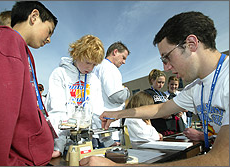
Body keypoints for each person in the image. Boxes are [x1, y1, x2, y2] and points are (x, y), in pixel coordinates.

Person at [80, 11, 229, 166]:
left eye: (167, 57)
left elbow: (221, 160)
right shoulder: (196, 88)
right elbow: (162, 109)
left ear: (191, 44)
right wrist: (117, 113)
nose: (165, 67)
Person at [0, 1, 58, 166]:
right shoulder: (4, 39)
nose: (49, 39)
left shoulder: (19, 47)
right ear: (34, 16)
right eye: (49, 31)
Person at [45, 34, 114, 158]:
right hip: (62, 140)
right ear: (77, 54)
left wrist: (109, 142)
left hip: (86, 140)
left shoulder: (94, 80)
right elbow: (57, 110)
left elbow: (98, 113)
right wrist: (58, 146)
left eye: (94, 65)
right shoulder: (60, 74)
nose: (90, 68)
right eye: (88, 62)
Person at [93, 41, 130, 144]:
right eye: (123, 57)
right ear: (115, 52)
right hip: (109, 129)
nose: (124, 62)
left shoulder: (97, 67)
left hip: (97, 126)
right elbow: (116, 96)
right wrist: (127, 91)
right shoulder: (110, 68)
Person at [144, 69, 172, 136]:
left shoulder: (163, 94)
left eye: (163, 83)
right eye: (159, 82)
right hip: (157, 129)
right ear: (152, 80)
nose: (161, 85)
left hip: (168, 127)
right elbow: (147, 112)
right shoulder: (147, 93)